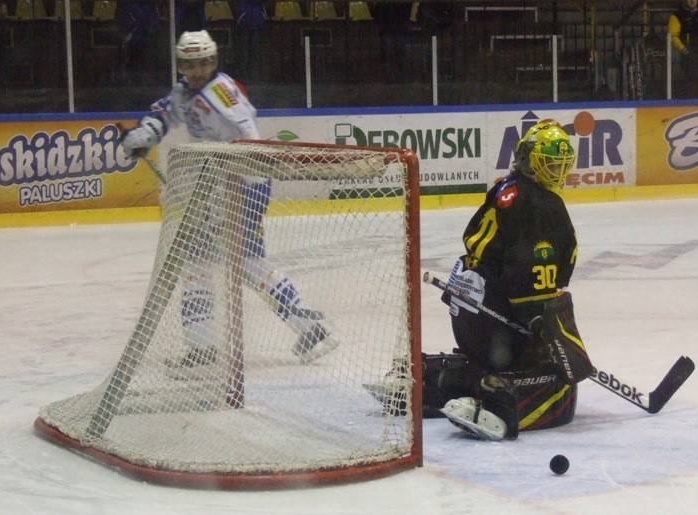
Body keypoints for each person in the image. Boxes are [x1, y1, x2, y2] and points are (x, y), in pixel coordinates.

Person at [121, 31, 337, 371]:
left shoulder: (221, 93)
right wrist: (145, 133)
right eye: (189, 64)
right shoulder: (185, 92)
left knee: (205, 265)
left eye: (202, 62)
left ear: (213, 61)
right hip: (220, 187)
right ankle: (309, 330)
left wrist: (234, 188)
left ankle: (206, 349)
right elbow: (164, 113)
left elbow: (249, 139)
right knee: (236, 263)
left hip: (239, 186)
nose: (196, 70)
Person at [370, 121, 592, 441]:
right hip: (498, 322)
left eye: (561, 164)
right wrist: (540, 323)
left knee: (482, 362)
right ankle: (498, 404)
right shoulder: (544, 205)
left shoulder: (506, 187)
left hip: (471, 311)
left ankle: (431, 378)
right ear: (530, 159)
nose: (557, 171)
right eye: (550, 162)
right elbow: (527, 272)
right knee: (559, 385)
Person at [235, 0, 266, 82]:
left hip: (256, 19)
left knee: (254, 51)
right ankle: (243, 77)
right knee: (244, 51)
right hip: (245, 19)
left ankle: (253, 76)